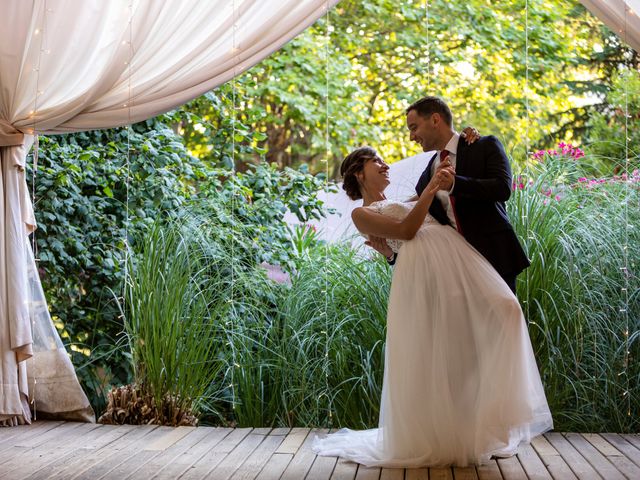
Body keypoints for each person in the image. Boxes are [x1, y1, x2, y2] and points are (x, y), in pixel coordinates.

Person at [311, 146, 553, 467]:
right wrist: (428, 190)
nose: (386, 165)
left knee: (505, 309)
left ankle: (493, 416)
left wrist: (459, 154)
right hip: (422, 272)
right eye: (376, 162)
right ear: (359, 172)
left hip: (456, 258)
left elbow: (419, 219)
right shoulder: (361, 213)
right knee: (441, 351)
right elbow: (407, 230)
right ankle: (443, 436)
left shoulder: (404, 200)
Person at [368, 96, 529, 294]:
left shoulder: (484, 146)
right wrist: (391, 255)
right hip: (452, 267)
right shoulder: (428, 174)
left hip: (494, 256)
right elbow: (420, 220)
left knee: (504, 322)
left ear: (435, 120)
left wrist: (455, 184)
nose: (411, 137)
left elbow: (502, 189)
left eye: (413, 127)